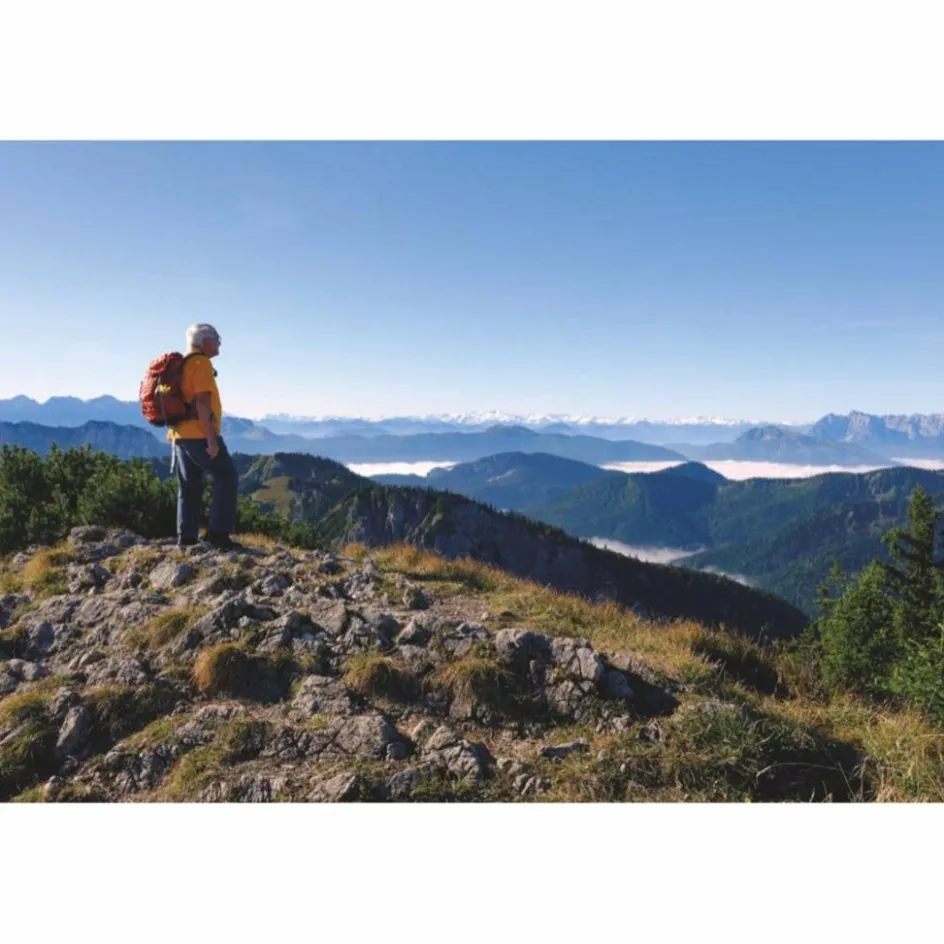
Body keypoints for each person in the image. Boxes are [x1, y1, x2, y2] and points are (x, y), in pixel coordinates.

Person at [169, 323, 241, 550]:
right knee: (227, 477)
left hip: (179, 434)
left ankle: (186, 538)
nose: (219, 343)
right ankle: (218, 535)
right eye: (217, 339)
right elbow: (202, 401)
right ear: (205, 341)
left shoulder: (183, 364)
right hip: (199, 433)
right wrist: (211, 438)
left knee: (189, 485)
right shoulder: (200, 363)